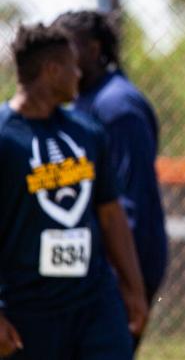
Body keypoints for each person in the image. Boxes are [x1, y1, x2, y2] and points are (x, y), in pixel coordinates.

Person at [0, 23, 148, 359]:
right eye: (71, 66)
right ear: (52, 71)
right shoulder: (5, 137)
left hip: (93, 303)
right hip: (26, 309)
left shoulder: (87, 132)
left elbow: (111, 214)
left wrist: (134, 289)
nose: (79, 73)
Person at [53, 10, 168, 334]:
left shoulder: (117, 107)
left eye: (68, 48)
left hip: (119, 271)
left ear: (93, 49)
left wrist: (127, 283)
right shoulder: (80, 101)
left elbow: (130, 203)